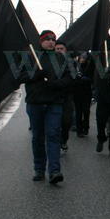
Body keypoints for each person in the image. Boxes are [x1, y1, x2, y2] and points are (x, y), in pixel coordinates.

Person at [21, 30, 73, 184]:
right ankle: (39, 169)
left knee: (53, 135)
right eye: (47, 39)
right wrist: (35, 74)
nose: (51, 42)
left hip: (54, 103)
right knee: (38, 137)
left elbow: (70, 77)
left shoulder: (61, 59)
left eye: (53, 39)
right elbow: (19, 76)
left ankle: (55, 171)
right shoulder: (31, 58)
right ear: (41, 41)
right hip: (35, 103)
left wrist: (56, 84)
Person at [54, 40, 77, 153]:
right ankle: (55, 143)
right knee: (54, 123)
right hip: (54, 98)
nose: (59, 51)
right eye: (57, 49)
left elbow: (74, 77)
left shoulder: (71, 63)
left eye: (61, 49)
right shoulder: (49, 63)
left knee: (66, 121)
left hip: (67, 96)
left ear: (65, 50)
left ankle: (64, 140)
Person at [74, 52, 93, 137]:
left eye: (84, 58)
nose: (82, 59)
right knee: (78, 112)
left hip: (87, 92)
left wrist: (85, 79)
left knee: (86, 111)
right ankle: (79, 130)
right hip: (77, 92)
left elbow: (92, 78)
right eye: (81, 58)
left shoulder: (89, 66)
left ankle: (86, 127)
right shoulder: (75, 66)